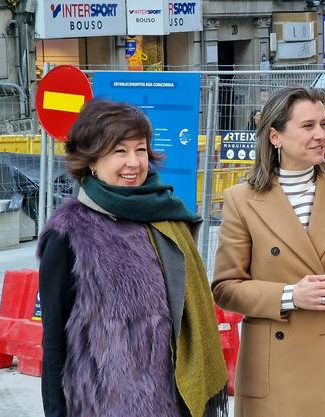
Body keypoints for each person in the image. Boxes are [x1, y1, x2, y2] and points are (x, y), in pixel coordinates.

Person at [38, 99, 228, 417]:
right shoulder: (69, 234)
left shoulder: (167, 215)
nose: (133, 163)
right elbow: (54, 341)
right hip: (104, 406)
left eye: (140, 150)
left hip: (174, 398)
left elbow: (189, 315)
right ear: (92, 161)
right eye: (119, 151)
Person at [212, 86, 325, 417]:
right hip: (275, 369)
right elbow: (225, 288)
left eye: (323, 124)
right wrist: (291, 296)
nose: (321, 134)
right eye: (307, 126)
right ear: (275, 136)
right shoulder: (241, 199)